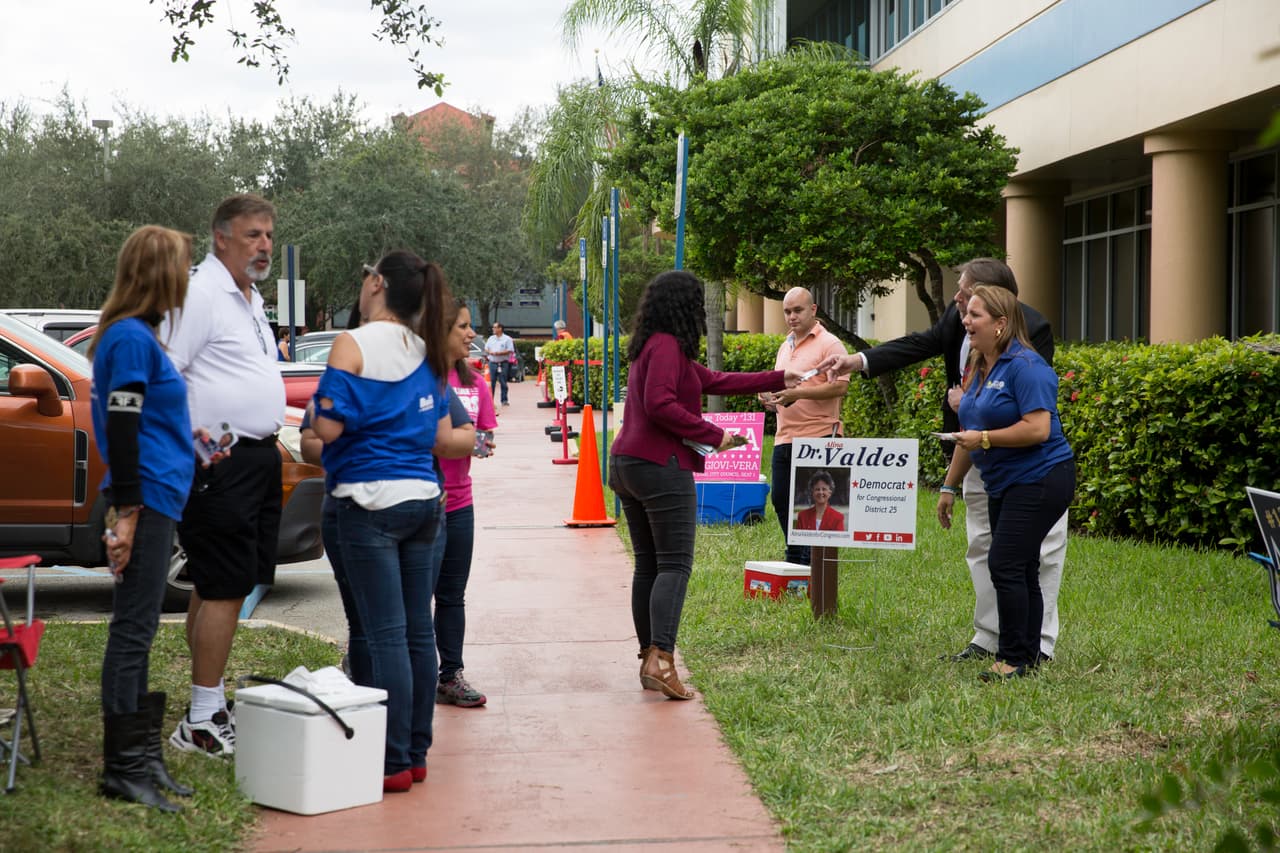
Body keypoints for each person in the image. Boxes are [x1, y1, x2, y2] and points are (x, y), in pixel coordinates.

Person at [817, 258, 1067, 663]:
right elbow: (918, 344)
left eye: (965, 295)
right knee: (983, 545)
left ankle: (1037, 644)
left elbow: (1031, 406)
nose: (956, 303)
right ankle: (989, 636)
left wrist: (972, 403)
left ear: (995, 304)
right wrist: (858, 360)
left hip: (1027, 466)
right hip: (975, 455)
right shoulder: (958, 319)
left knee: (1036, 554)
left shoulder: (1033, 330)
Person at [608, 271, 803, 700]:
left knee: (650, 564)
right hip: (658, 466)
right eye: (697, 303)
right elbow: (660, 404)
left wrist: (779, 378)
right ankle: (661, 660)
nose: (702, 311)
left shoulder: (655, 346)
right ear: (684, 306)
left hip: (627, 464)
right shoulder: (666, 346)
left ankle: (650, 657)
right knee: (674, 564)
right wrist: (715, 435)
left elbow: (715, 381)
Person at [311, 251, 456, 792]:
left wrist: (318, 411)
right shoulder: (425, 348)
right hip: (424, 500)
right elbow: (439, 434)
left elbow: (327, 428)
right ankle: (415, 753)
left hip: (368, 501)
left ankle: (391, 762)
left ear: (376, 283)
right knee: (419, 631)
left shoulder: (352, 343)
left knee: (386, 635)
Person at [163, 194, 286, 757]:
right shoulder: (200, 294)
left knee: (219, 584)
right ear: (221, 237)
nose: (264, 245)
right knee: (226, 586)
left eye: (269, 235)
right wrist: (199, 444)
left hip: (257, 458)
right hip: (220, 464)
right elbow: (166, 375)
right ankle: (201, 719)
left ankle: (206, 702)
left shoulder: (250, 298)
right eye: (253, 234)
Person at [89, 226, 196, 812]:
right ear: (159, 273)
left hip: (158, 494)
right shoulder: (131, 338)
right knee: (132, 629)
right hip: (146, 498)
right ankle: (122, 768)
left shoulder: (139, 336)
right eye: (182, 267)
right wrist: (127, 513)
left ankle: (142, 757)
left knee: (142, 627)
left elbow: (145, 419)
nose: (187, 279)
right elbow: (123, 426)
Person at [936, 285, 1075, 681]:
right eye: (966, 314)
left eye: (974, 315)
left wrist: (984, 439)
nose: (965, 320)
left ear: (1000, 323)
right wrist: (949, 487)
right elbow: (969, 430)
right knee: (1022, 564)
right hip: (1005, 482)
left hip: (1042, 477)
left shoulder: (1027, 366)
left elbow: (1037, 428)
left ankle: (1012, 657)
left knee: (1005, 562)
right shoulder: (980, 365)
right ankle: (1028, 655)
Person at [434, 300, 498, 709]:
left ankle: (450, 675)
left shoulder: (476, 383)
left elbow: (487, 443)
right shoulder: (419, 380)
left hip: (459, 503)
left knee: (451, 595)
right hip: (419, 503)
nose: (472, 333)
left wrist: (452, 440)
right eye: (463, 326)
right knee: (412, 596)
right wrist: (461, 439)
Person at [758, 287, 848, 564]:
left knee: (812, 502)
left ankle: (811, 563)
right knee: (781, 500)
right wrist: (771, 399)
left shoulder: (830, 344)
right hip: (784, 436)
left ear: (813, 309)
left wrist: (799, 393)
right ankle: (796, 557)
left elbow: (840, 387)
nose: (792, 317)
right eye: (787, 311)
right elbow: (784, 389)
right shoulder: (785, 345)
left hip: (819, 435)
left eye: (798, 310)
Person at [484, 321, 514, 406]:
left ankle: (504, 400)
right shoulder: (491, 338)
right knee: (492, 382)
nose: (493, 329)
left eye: (495, 327)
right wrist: (490, 352)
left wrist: (499, 353)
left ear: (500, 329)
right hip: (492, 363)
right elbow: (486, 348)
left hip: (503, 363)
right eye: (493, 327)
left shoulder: (507, 339)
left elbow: (510, 350)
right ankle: (490, 400)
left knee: (503, 382)